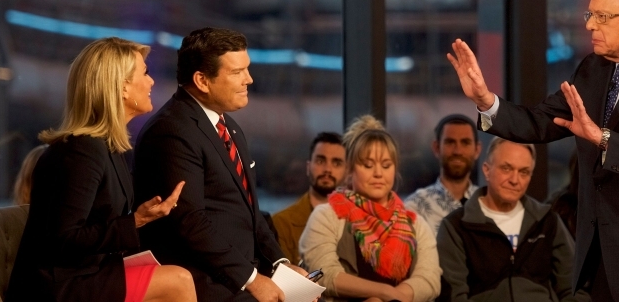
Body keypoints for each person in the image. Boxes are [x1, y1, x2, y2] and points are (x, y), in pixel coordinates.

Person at [448, 0, 619, 302]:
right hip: (597, 253)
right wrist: (486, 101)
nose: (589, 26)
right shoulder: (592, 69)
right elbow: (539, 122)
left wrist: (602, 138)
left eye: (602, 16)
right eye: (590, 15)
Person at [6, 37, 196, 302]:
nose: (151, 81)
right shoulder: (81, 151)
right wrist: (136, 221)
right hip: (58, 287)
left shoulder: (106, 148)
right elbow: (64, 238)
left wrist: (144, 217)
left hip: (88, 272)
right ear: (122, 88)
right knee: (179, 281)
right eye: (145, 73)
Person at [134, 28, 304, 302]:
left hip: (239, 276)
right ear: (202, 79)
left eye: (247, 69)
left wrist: (280, 265)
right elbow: (191, 223)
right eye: (237, 72)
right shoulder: (172, 131)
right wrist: (252, 280)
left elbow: (251, 211)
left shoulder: (229, 127)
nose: (248, 79)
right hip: (206, 283)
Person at [300, 115, 441, 302]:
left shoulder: (416, 224)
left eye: (386, 165)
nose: (378, 173)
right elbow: (324, 274)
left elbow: (429, 279)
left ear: (395, 170)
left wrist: (391, 299)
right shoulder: (326, 216)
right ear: (350, 170)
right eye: (367, 165)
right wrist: (383, 293)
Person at [438, 137, 588, 302]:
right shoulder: (456, 227)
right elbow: (453, 296)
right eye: (506, 169)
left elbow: (575, 289)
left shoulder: (547, 221)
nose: (515, 180)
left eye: (523, 172)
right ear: (487, 170)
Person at [273, 131, 347, 263]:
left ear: (347, 171)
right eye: (320, 161)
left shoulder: (358, 222)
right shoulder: (281, 223)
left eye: (336, 163)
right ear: (308, 167)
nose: (327, 169)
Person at [404, 114, 482, 235]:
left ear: (477, 150)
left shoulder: (488, 203)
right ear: (436, 148)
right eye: (450, 142)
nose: (458, 151)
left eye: (465, 143)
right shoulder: (414, 207)